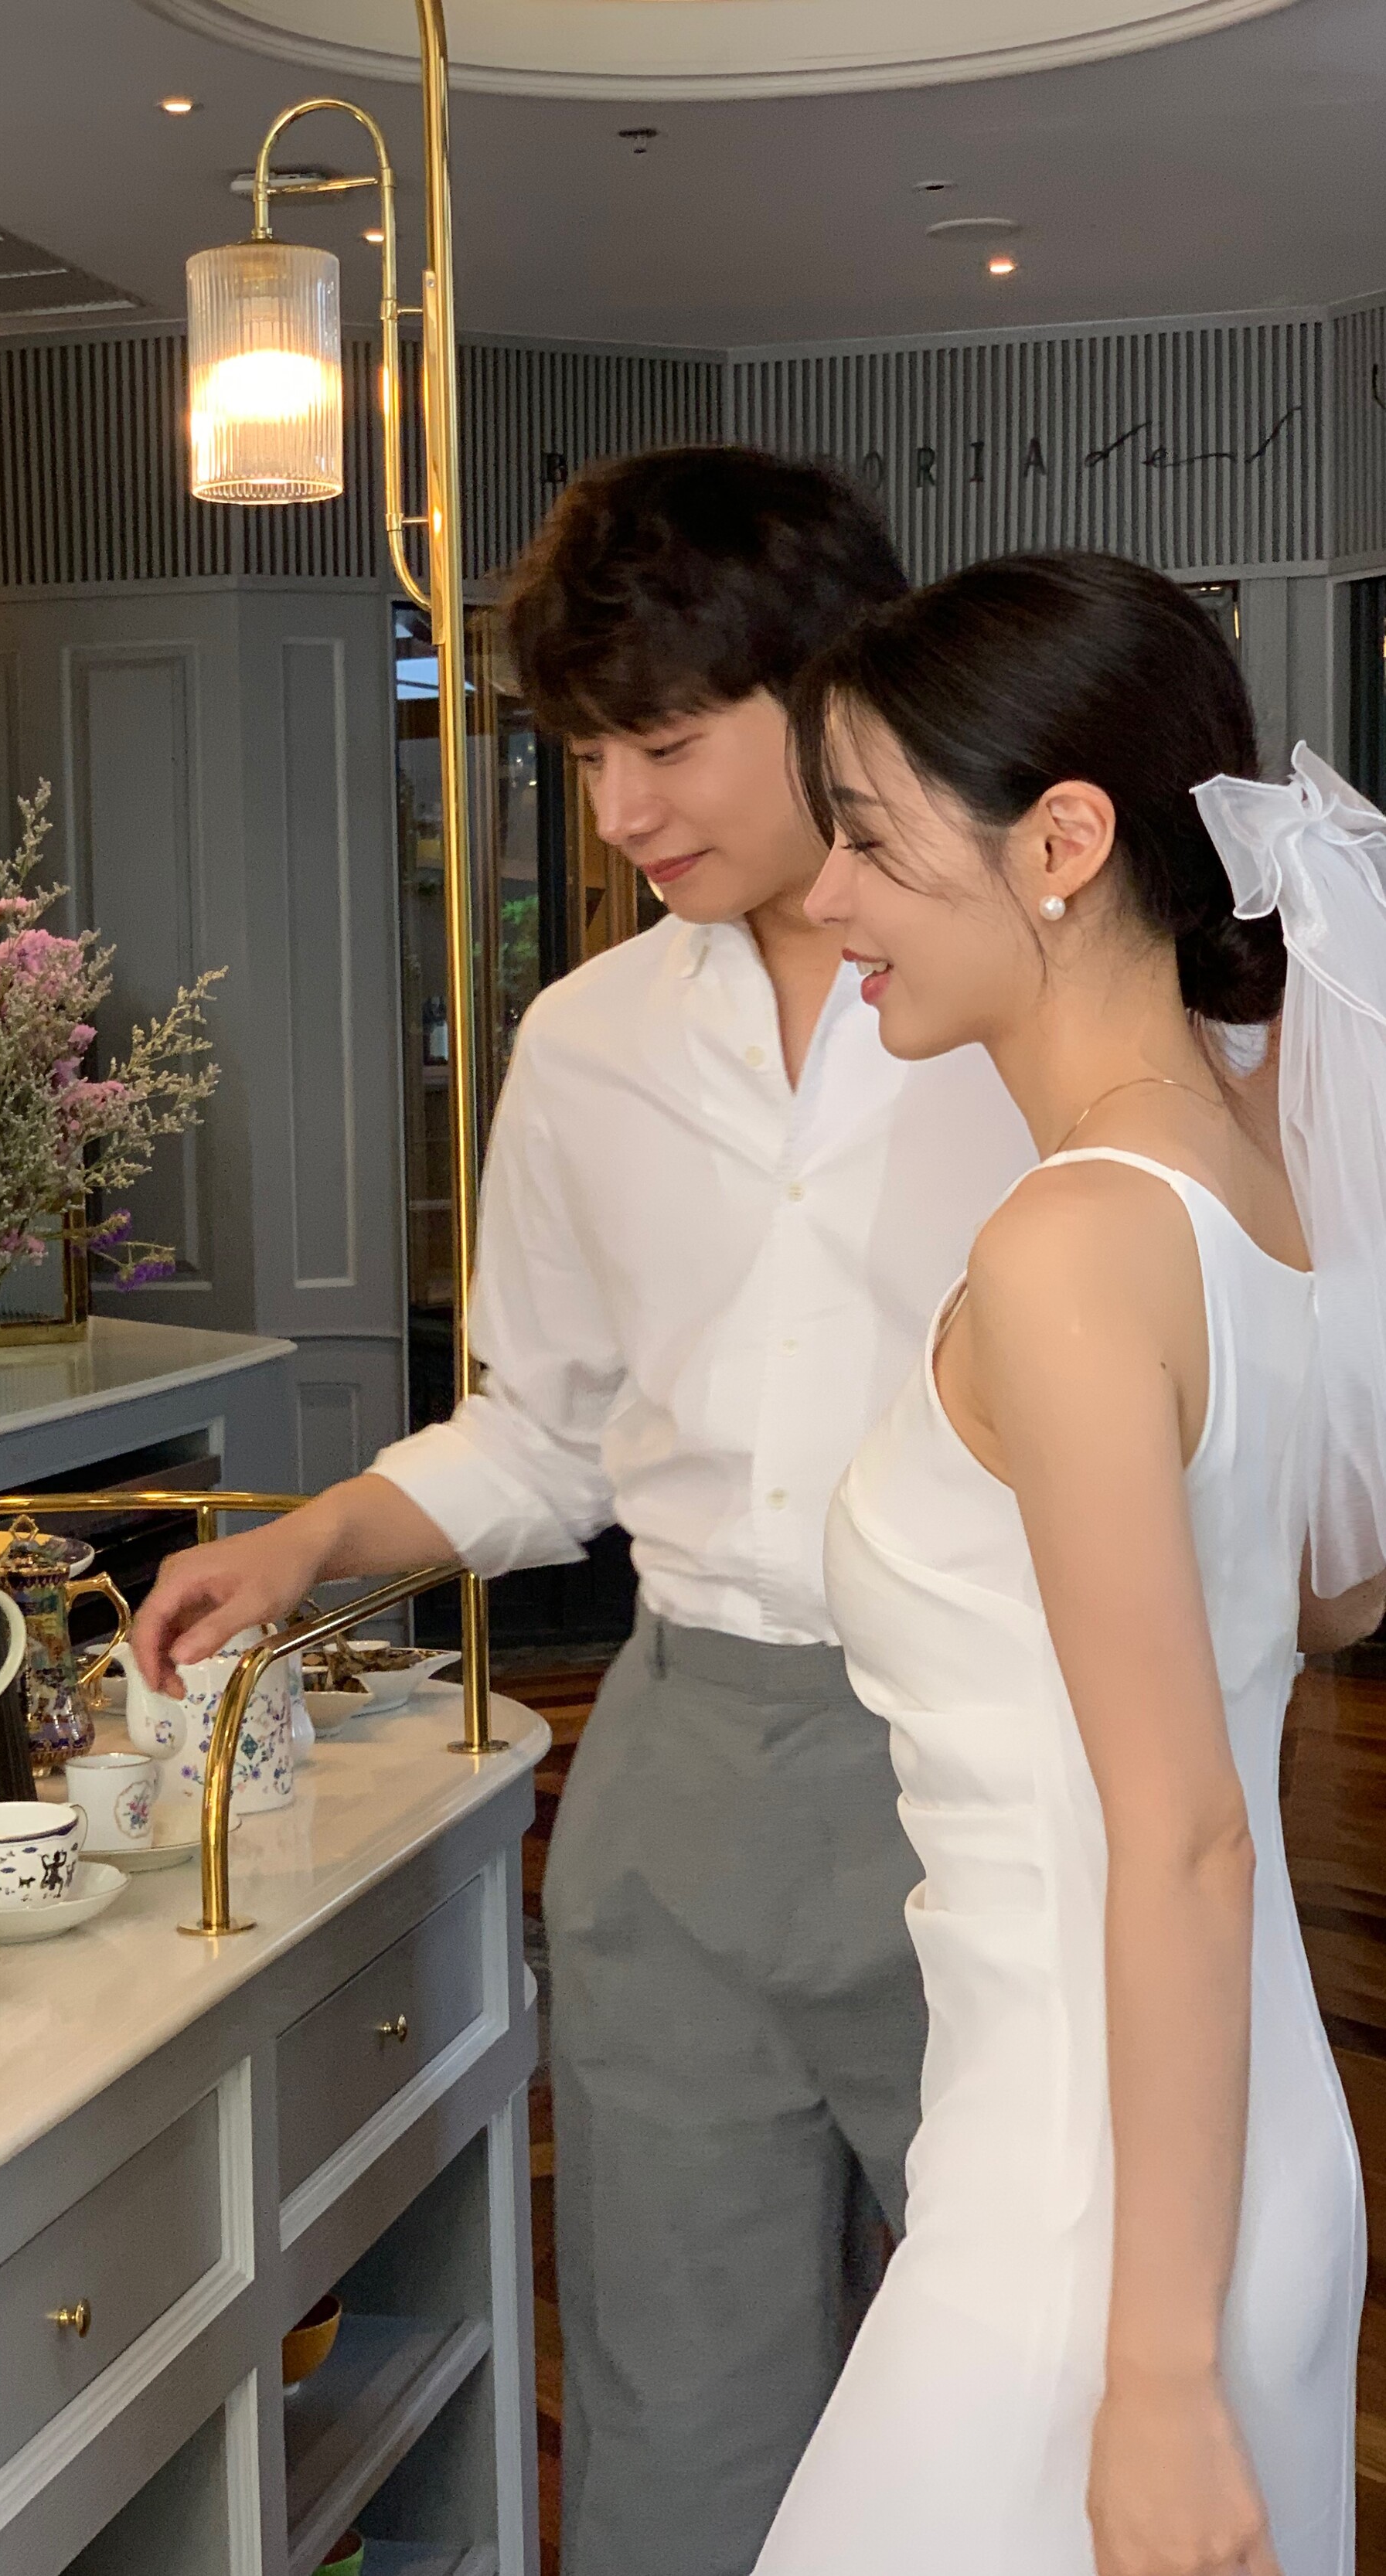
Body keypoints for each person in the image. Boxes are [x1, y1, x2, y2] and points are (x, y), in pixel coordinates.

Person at [131, 445, 1033, 2571]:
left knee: (1017, 2394)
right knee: (675, 2397)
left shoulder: (1034, 1004)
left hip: (1005, 1761)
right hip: (684, 1769)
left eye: (665, 741)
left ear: (834, 689)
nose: (618, 809)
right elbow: (539, 1437)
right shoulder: (585, 1041)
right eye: (585, 753)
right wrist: (310, 1541)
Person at [755, 550, 1374, 2575]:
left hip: (1094, 2210)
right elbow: (1328, 1595)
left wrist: (1157, 2376)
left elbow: (1184, 1834)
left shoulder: (1070, 1245)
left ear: (1062, 841)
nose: (824, 896)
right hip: (1230, 2146)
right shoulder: (1250, 1180)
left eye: (865, 837)